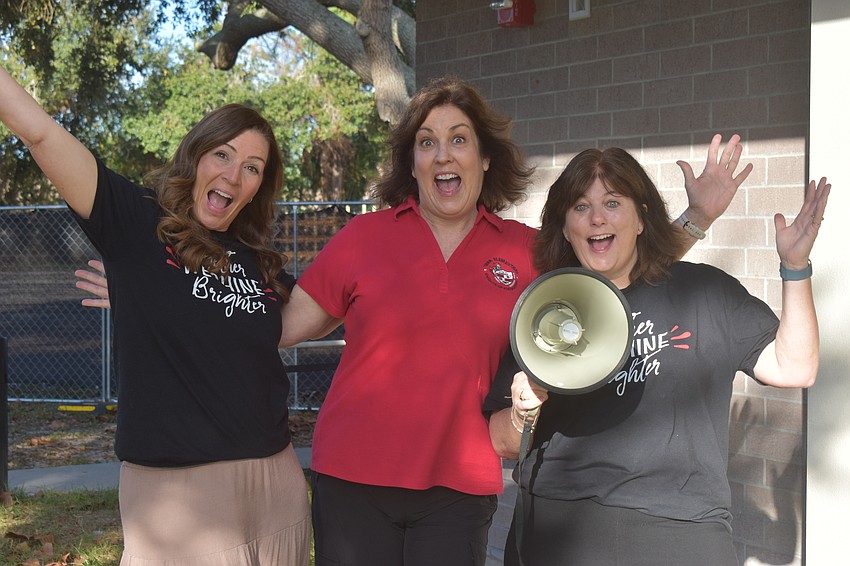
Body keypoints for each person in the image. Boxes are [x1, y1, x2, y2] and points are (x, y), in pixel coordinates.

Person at [73, 76, 750, 566]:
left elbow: (610, 271)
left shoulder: (522, 249)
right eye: (426, 142)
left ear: (485, 158)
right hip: (350, 485)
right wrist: (159, 290)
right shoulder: (365, 238)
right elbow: (271, 327)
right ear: (413, 162)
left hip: (460, 488)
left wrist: (696, 220)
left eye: (459, 140)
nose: (442, 154)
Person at [0, 65, 311, 565]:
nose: (234, 174)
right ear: (196, 156)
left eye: (252, 168)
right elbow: (37, 129)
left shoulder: (257, 258)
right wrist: (136, 289)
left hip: (277, 483)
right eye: (223, 155)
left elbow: (311, 317)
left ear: (259, 186)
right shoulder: (137, 221)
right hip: (180, 497)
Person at [484, 144, 830, 566]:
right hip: (559, 525)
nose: (597, 217)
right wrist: (523, 411)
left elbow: (796, 366)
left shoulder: (703, 292)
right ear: (565, 227)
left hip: (680, 530)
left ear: (642, 218)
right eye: (580, 206)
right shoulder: (546, 310)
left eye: (613, 202)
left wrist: (795, 268)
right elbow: (502, 442)